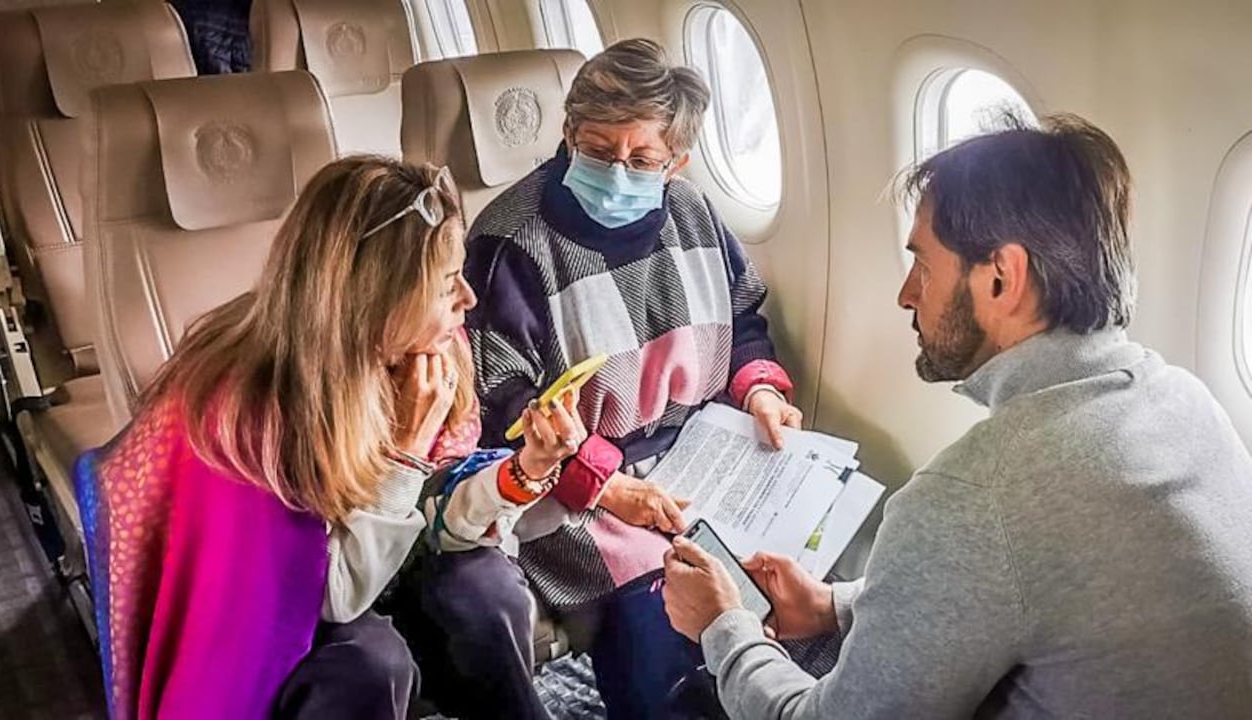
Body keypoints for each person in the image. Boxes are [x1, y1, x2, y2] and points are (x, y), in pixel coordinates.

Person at [662, 113, 1252, 718]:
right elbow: (1052, 583)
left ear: (1001, 278)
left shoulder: (973, 496)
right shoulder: (1187, 400)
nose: (906, 294)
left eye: (922, 264)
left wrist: (722, 627)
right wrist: (832, 606)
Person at [73, 157, 584, 719]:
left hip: (379, 556)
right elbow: (330, 595)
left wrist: (525, 471)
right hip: (293, 608)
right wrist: (406, 452)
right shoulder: (246, 411)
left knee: (485, 592)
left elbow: (434, 516)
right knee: (370, 662)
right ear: (380, 296)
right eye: (446, 285)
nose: (468, 298)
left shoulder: (428, 350)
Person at [411, 38, 804, 719]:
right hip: (575, 487)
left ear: (675, 163)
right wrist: (609, 484)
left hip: (702, 456)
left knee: (785, 594)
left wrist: (760, 390)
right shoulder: (511, 242)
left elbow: (743, 318)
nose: (618, 172)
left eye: (642, 160)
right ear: (568, 135)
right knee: (667, 627)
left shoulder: (694, 213)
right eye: (597, 150)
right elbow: (501, 406)